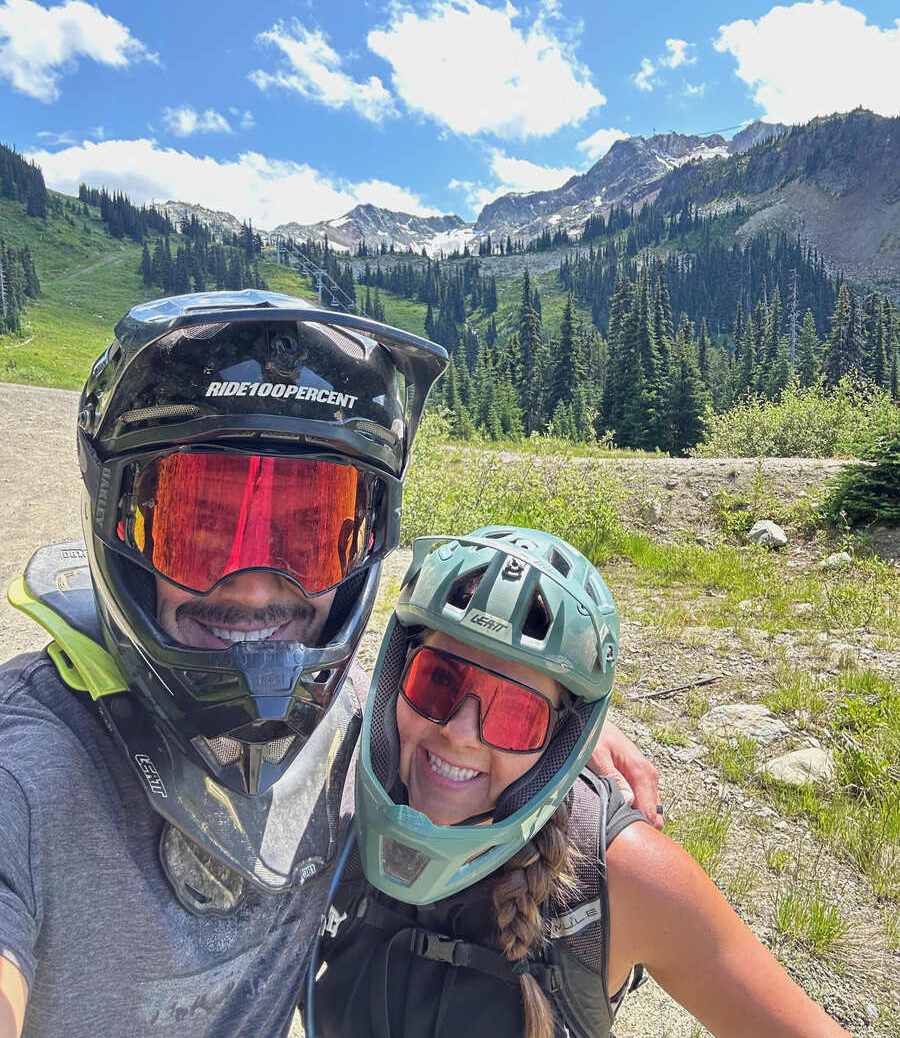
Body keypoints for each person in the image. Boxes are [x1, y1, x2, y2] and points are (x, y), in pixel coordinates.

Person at [0, 290, 658, 1038]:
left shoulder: (359, 750)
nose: (253, 583)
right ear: (118, 523)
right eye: (198, 530)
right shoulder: (30, 772)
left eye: (309, 536)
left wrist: (548, 727)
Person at [314, 527, 853, 1038]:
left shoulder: (622, 872)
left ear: (561, 742)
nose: (459, 733)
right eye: (438, 681)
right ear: (395, 677)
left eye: (515, 716)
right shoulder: (326, 794)